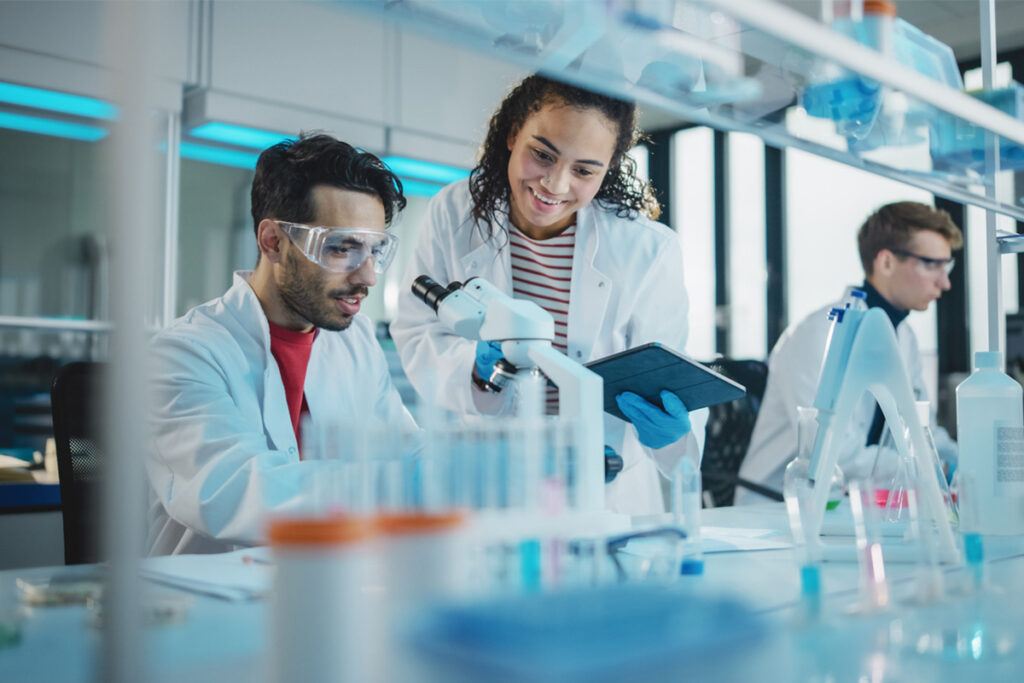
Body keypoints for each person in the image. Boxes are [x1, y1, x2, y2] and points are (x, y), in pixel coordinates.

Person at [390, 75, 705, 515]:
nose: (555, 185)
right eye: (542, 155)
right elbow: (416, 331)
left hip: (608, 493)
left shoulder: (647, 249)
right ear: (513, 133)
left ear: (609, 168)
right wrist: (477, 371)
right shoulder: (454, 212)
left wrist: (673, 432)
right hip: (490, 481)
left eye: (583, 171)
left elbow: (669, 369)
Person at [148, 134, 415, 554]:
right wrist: (398, 486)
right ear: (273, 241)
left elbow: (406, 449)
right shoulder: (185, 354)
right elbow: (235, 489)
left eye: (375, 251)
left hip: (329, 585)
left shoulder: (357, 341)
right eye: (342, 247)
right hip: (207, 600)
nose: (368, 277)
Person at [738, 201, 962, 504]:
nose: (945, 282)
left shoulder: (903, 337)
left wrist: (962, 464)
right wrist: (930, 470)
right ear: (886, 262)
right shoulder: (821, 333)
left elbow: (922, 434)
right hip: (776, 511)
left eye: (947, 266)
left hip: (855, 505)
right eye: (932, 264)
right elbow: (836, 454)